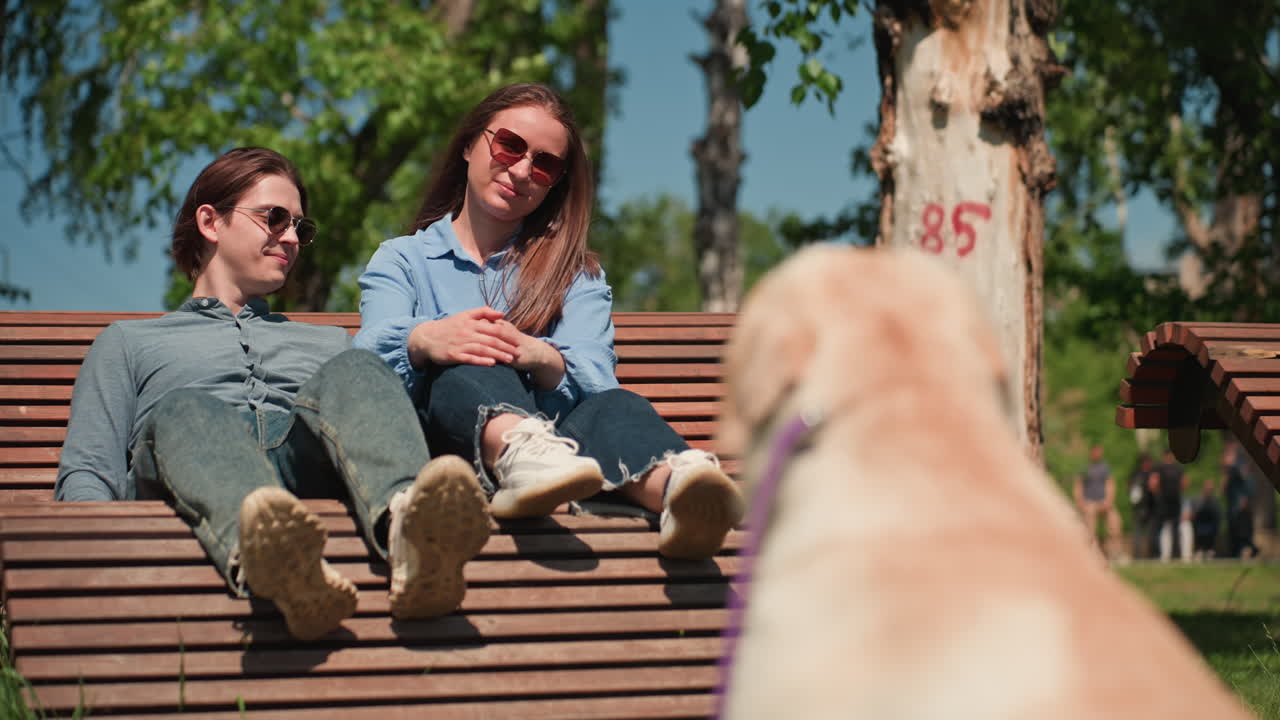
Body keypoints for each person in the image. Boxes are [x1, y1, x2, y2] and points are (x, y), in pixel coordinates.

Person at [55, 148, 491, 641]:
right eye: (274, 218)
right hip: (185, 481)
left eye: (300, 227)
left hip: (296, 482)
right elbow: (89, 470)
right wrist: (96, 570)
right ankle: (273, 558)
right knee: (187, 408)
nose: (291, 238)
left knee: (359, 367)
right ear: (210, 222)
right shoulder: (129, 342)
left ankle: (412, 539)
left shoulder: (328, 344)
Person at [355, 83, 744, 559]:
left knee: (613, 405)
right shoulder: (402, 259)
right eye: (509, 145)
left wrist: (538, 354)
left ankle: (682, 489)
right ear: (469, 145)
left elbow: (596, 379)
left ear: (555, 183)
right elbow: (365, 362)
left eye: (544, 165)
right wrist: (427, 338)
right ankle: (519, 452)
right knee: (474, 352)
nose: (522, 171)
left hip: (569, 464)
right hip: (453, 462)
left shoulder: (575, 274)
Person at [1073, 444, 1123, 557]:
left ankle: (1115, 552)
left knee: (1115, 522)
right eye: (1095, 451)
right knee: (1090, 526)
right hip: (1089, 503)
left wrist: (1109, 501)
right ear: (1091, 452)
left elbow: (1110, 484)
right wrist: (1080, 502)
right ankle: (1092, 552)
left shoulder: (1105, 467)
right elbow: (1078, 485)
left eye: (1099, 451)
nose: (1097, 454)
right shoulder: (1085, 467)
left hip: (1104, 502)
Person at [1151, 450, 1191, 562]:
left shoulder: (1160, 468)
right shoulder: (1178, 468)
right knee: (1174, 528)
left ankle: (1162, 554)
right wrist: (1178, 492)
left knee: (1163, 528)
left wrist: (1158, 494)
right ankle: (1175, 554)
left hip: (1164, 501)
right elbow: (1185, 483)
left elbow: (1153, 483)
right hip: (1174, 501)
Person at [1223, 440, 1259, 558]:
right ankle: (1237, 551)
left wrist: (1244, 498)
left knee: (1239, 527)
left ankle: (1247, 549)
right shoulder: (1231, 467)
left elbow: (1247, 481)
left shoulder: (1239, 464)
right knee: (1235, 526)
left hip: (1239, 501)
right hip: (1233, 500)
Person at [1127, 453, 1156, 558]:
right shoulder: (1137, 474)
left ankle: (1149, 555)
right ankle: (1138, 556)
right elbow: (1130, 488)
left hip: (1151, 507)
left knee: (1150, 534)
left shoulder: (1151, 474)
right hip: (1140, 508)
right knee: (1138, 534)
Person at [1189, 477, 1222, 560]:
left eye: (1210, 487)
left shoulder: (1215, 501)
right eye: (1207, 487)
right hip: (1198, 526)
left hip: (1211, 527)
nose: (1209, 489)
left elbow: (1217, 516)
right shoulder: (1197, 500)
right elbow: (1193, 514)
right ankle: (1199, 550)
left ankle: (1209, 551)